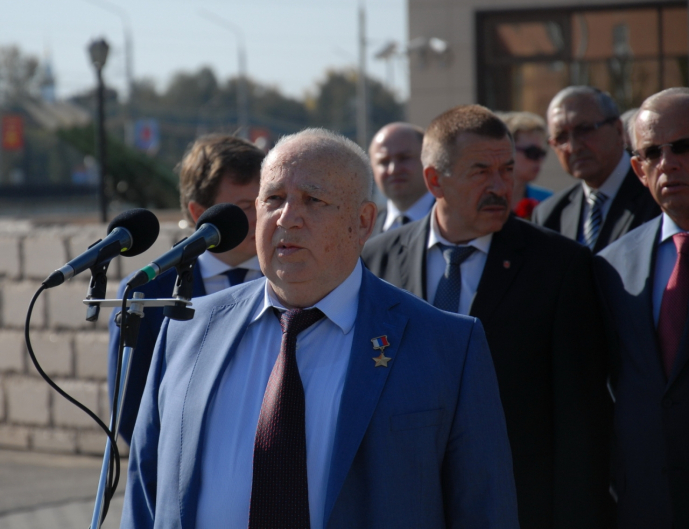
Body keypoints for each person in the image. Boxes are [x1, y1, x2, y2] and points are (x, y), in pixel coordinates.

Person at [121, 128, 519, 529]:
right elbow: (145, 490)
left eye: (313, 200)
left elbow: (484, 508)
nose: (287, 218)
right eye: (273, 199)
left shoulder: (446, 345)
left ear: (363, 222)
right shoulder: (187, 330)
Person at [363, 105, 611, 529]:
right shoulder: (376, 259)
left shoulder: (559, 266)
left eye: (507, 169)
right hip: (405, 502)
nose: (500, 186)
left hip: (517, 505)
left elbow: (581, 418)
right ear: (435, 180)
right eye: (481, 171)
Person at [107, 134, 265, 444]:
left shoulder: (295, 279)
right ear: (199, 213)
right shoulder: (148, 292)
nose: (260, 216)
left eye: (266, 200)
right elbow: (130, 413)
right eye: (245, 206)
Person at [594, 88, 689, 529]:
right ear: (638, 169)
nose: (668, 163)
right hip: (647, 505)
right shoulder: (612, 265)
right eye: (652, 152)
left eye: (683, 146)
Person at [533, 86, 659, 252]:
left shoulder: (659, 196)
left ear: (618, 130)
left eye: (584, 130)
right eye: (561, 137)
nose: (574, 147)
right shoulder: (549, 214)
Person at [368, 122, 434, 233]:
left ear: (429, 159)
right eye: (384, 161)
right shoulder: (363, 232)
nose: (393, 170)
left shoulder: (457, 221)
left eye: (404, 158)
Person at [497, 111, 552, 219]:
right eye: (533, 152)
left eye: (542, 153)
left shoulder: (547, 201)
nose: (540, 160)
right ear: (506, 150)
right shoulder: (484, 199)